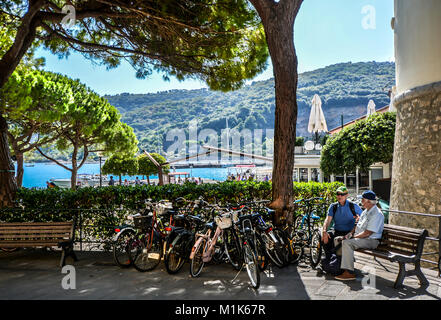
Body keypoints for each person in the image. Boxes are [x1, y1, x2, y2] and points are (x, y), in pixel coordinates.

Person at [335, 190, 384, 281]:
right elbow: (357, 226)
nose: (361, 202)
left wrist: (353, 238)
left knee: (347, 243)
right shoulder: (366, 211)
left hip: (371, 240)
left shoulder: (376, 213)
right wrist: (349, 234)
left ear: (369, 201)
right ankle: (339, 266)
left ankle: (348, 272)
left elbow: (368, 233)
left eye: (362, 200)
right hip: (362, 238)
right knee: (338, 239)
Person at [321, 186, 363, 263]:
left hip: (349, 233)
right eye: (338, 194)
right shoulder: (333, 206)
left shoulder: (353, 206)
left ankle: (339, 261)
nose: (340, 196)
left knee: (341, 243)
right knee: (325, 237)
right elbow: (328, 220)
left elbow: (363, 218)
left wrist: (358, 219)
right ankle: (328, 260)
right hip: (336, 230)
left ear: (346, 195)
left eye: (342, 194)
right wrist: (324, 231)